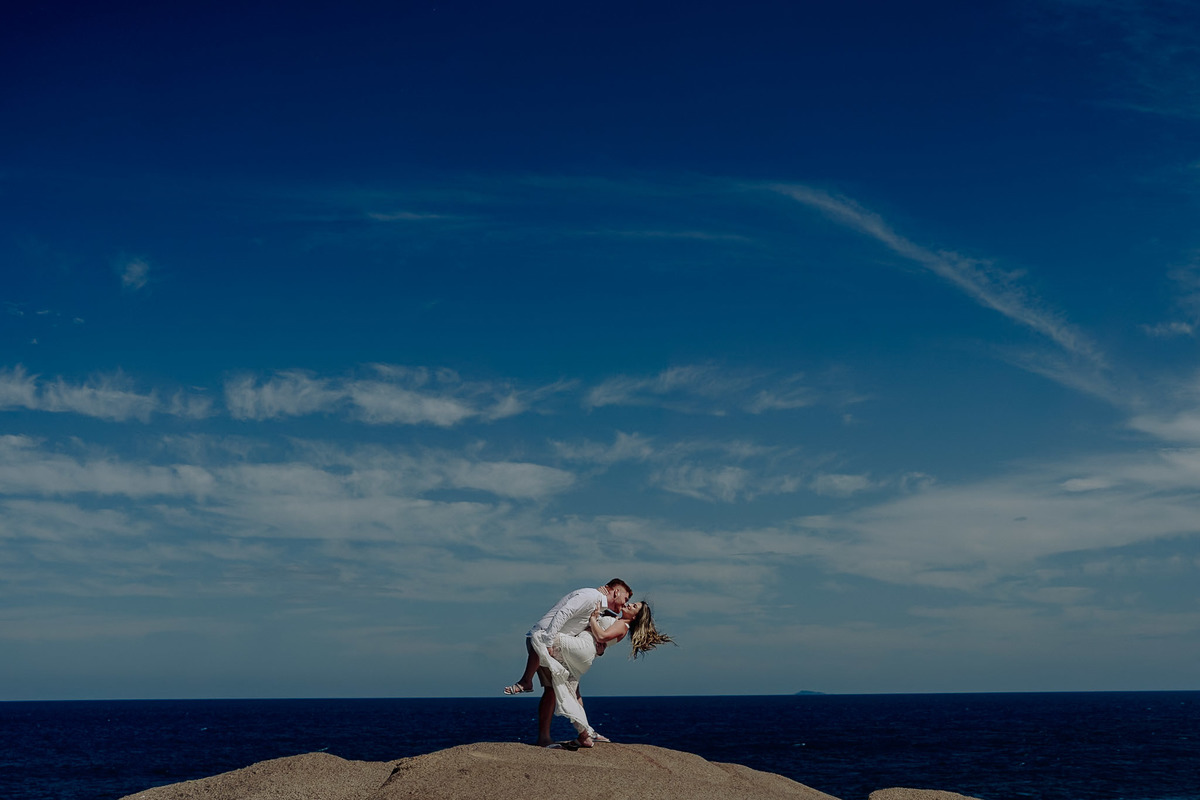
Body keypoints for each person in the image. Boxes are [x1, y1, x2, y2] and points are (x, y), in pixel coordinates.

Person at [503, 579, 632, 747]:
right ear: (616, 592)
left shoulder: (599, 606)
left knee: (565, 690)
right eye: (626, 599)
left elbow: (592, 629)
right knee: (558, 690)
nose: (625, 604)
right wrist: (548, 641)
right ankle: (573, 734)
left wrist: (600, 648)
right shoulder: (591, 596)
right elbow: (564, 613)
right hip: (544, 640)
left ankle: (583, 733)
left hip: (553, 643)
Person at [540, 598, 674, 748]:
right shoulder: (618, 620)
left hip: (582, 648)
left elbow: (602, 636)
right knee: (573, 693)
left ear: (635, 617)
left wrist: (593, 619)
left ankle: (526, 680)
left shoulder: (623, 625)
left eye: (634, 606)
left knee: (540, 637)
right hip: (584, 653)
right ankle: (584, 734)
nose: (630, 604)